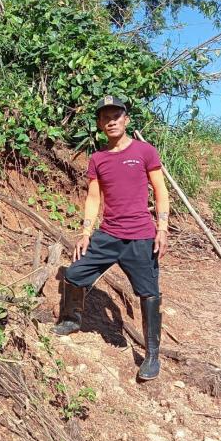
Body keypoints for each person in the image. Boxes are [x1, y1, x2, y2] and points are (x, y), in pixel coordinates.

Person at [54, 95, 170, 381]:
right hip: (107, 235)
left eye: (116, 116)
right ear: (99, 124)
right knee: (74, 273)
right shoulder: (98, 158)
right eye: (105, 118)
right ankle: (72, 319)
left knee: (149, 293)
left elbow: (160, 190)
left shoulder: (145, 151)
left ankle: (152, 355)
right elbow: (94, 198)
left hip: (140, 237)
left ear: (126, 119)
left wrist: (162, 228)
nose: (111, 121)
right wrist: (85, 233)